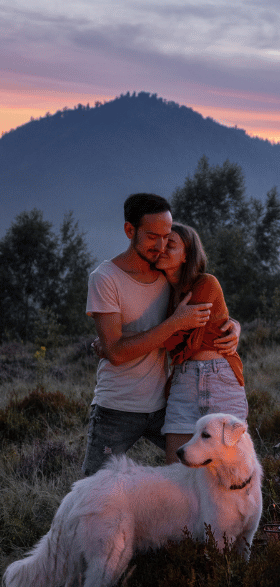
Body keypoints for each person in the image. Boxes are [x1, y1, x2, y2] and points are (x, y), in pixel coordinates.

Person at [82, 192, 239, 476]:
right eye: (153, 236)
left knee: (194, 474)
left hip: (166, 404)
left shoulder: (166, 276)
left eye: (167, 236)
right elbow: (116, 352)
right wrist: (176, 322)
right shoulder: (105, 279)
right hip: (117, 408)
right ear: (130, 231)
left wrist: (232, 326)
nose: (161, 245)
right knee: (95, 484)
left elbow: (202, 310)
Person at [154, 222, 248, 463]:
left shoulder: (206, 283)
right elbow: (178, 340)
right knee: (176, 466)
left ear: (187, 255)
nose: (162, 248)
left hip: (220, 379)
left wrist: (169, 330)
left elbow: (187, 341)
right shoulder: (162, 292)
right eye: (161, 242)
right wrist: (175, 328)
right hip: (184, 382)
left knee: (230, 466)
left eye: (171, 244)